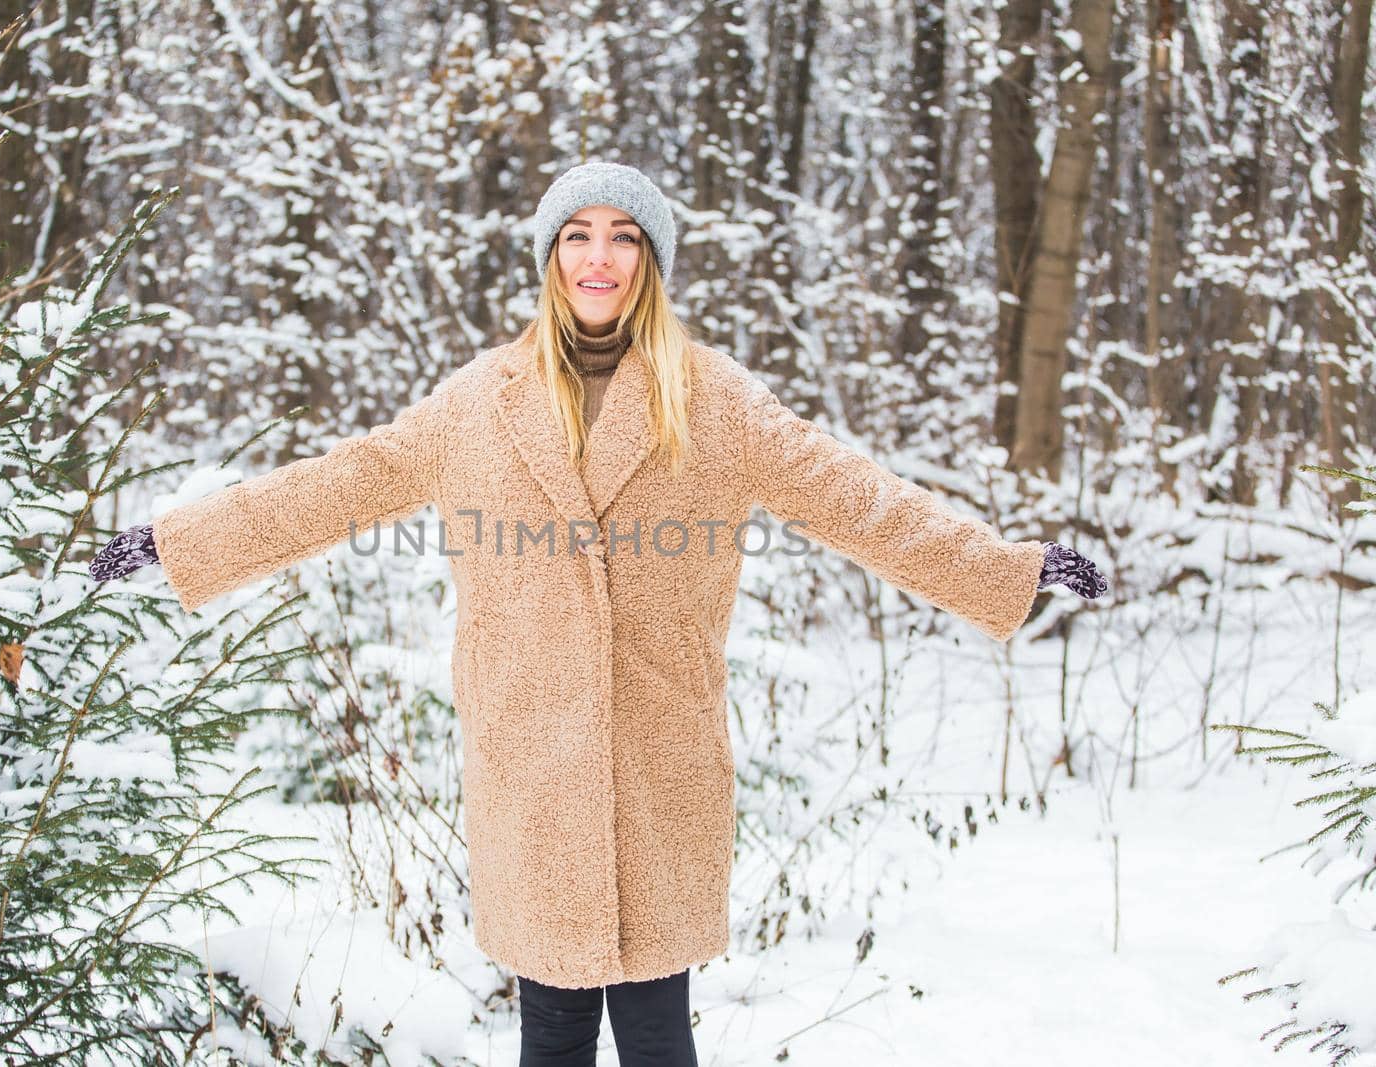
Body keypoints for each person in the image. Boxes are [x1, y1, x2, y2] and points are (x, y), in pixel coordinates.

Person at [91, 161, 1107, 1067]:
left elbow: (855, 497)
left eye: (623, 236)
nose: (599, 256)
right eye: (578, 234)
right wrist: (182, 542)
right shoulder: (477, 403)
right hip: (529, 761)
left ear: (651, 260)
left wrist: (1005, 572)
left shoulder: (712, 400)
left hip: (656, 756)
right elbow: (341, 483)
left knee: (659, 1032)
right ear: (550, 257)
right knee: (552, 1032)